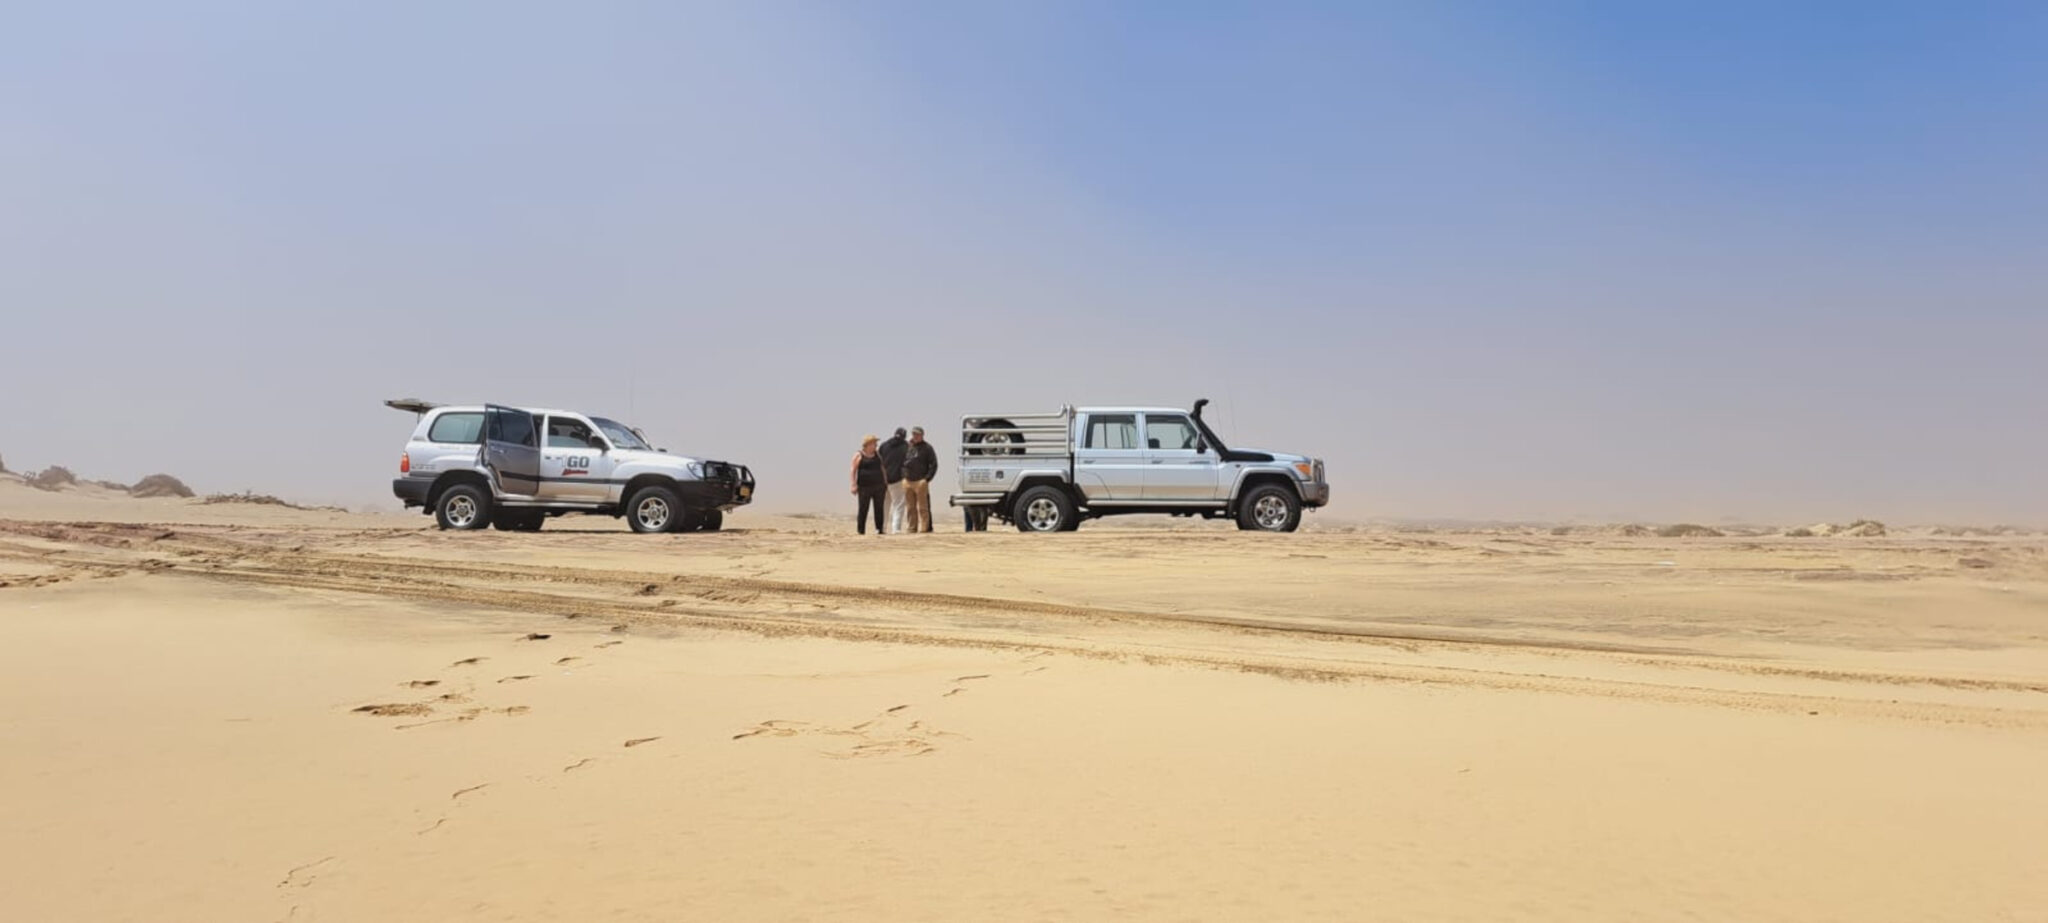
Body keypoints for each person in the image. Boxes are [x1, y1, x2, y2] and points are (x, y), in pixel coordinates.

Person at [901, 425, 939, 533]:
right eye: (914, 434)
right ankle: (912, 528)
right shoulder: (908, 447)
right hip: (908, 481)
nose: (915, 436)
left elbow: (934, 464)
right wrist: (903, 477)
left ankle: (924, 529)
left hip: (920, 482)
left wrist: (926, 479)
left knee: (923, 508)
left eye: (917, 434)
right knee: (910, 507)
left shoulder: (927, 448)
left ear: (922, 435)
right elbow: (902, 462)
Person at [850, 435, 886, 535]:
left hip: (879, 486)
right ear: (868, 444)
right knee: (863, 508)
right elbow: (853, 470)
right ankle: (861, 530)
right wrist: (853, 484)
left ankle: (879, 529)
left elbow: (882, 468)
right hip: (864, 486)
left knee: (879, 508)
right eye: (874, 443)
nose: (876, 445)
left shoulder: (877, 454)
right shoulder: (859, 455)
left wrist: (885, 482)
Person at [878, 426, 910, 534]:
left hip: (883, 480)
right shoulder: (905, 446)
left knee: (884, 505)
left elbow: (879, 461)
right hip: (896, 479)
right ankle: (896, 529)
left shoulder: (884, 445)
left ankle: (881, 528)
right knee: (898, 505)